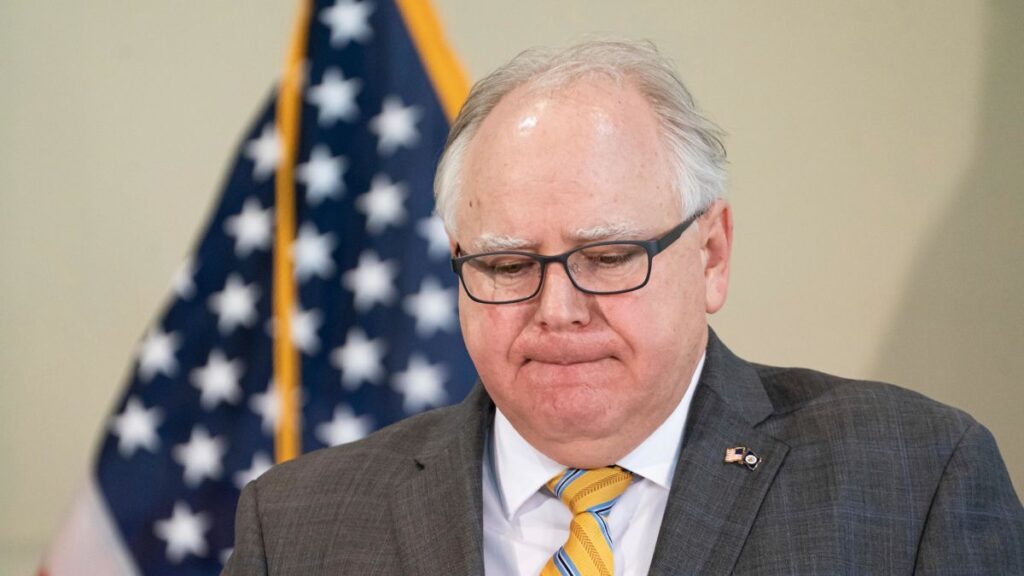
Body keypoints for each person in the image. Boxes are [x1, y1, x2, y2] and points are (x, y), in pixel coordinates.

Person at [223, 40, 1023, 575]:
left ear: (710, 256)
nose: (558, 309)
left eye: (607, 258)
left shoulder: (914, 480)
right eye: (506, 264)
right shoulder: (296, 528)